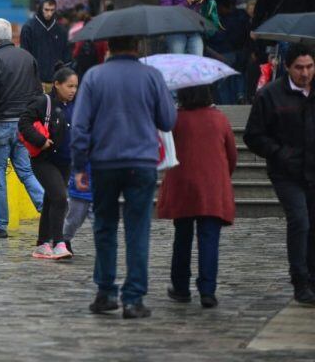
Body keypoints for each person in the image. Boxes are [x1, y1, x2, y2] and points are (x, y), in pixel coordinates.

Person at [72, 36, 176, 319]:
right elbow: (168, 120)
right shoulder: (152, 76)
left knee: (104, 226)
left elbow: (80, 126)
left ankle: (106, 292)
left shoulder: (94, 76)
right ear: (138, 46)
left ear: (109, 47)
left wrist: (80, 165)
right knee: (137, 229)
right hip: (141, 162)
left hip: (104, 162)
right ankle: (133, 298)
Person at [244, 43, 315, 306]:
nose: (305, 73)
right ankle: (300, 279)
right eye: (299, 68)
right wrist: (279, 153)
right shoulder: (271, 95)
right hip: (287, 171)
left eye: (309, 67)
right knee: (299, 221)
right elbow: (253, 135)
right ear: (287, 67)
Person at [157, 85, 237, 309]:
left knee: (182, 237)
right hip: (211, 187)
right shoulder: (219, 119)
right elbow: (232, 154)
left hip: (183, 186)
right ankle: (207, 290)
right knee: (209, 238)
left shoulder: (175, 120)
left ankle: (181, 287)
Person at [0, 18, 44, 238]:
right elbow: (37, 92)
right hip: (24, 124)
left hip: (1, 123)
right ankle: (49, 208)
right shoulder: (28, 57)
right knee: (25, 171)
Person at [18, 66, 78, 259]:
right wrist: (40, 140)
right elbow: (24, 123)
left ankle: (42, 243)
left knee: (51, 199)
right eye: (69, 86)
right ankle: (59, 242)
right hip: (44, 160)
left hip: (65, 161)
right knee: (60, 198)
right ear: (57, 84)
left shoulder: (75, 105)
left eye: (75, 87)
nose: (72, 90)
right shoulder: (44, 102)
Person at [20, 0, 72, 92]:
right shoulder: (29, 28)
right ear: (40, 8)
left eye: (52, 10)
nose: (49, 13)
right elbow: (25, 55)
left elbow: (66, 56)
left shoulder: (61, 30)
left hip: (56, 82)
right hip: (35, 82)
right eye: (46, 10)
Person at [206, 0, 250, 104]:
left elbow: (215, 38)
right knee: (237, 77)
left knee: (222, 84)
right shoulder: (242, 17)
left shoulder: (219, 21)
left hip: (222, 53)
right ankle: (240, 96)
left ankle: (227, 107)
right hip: (239, 53)